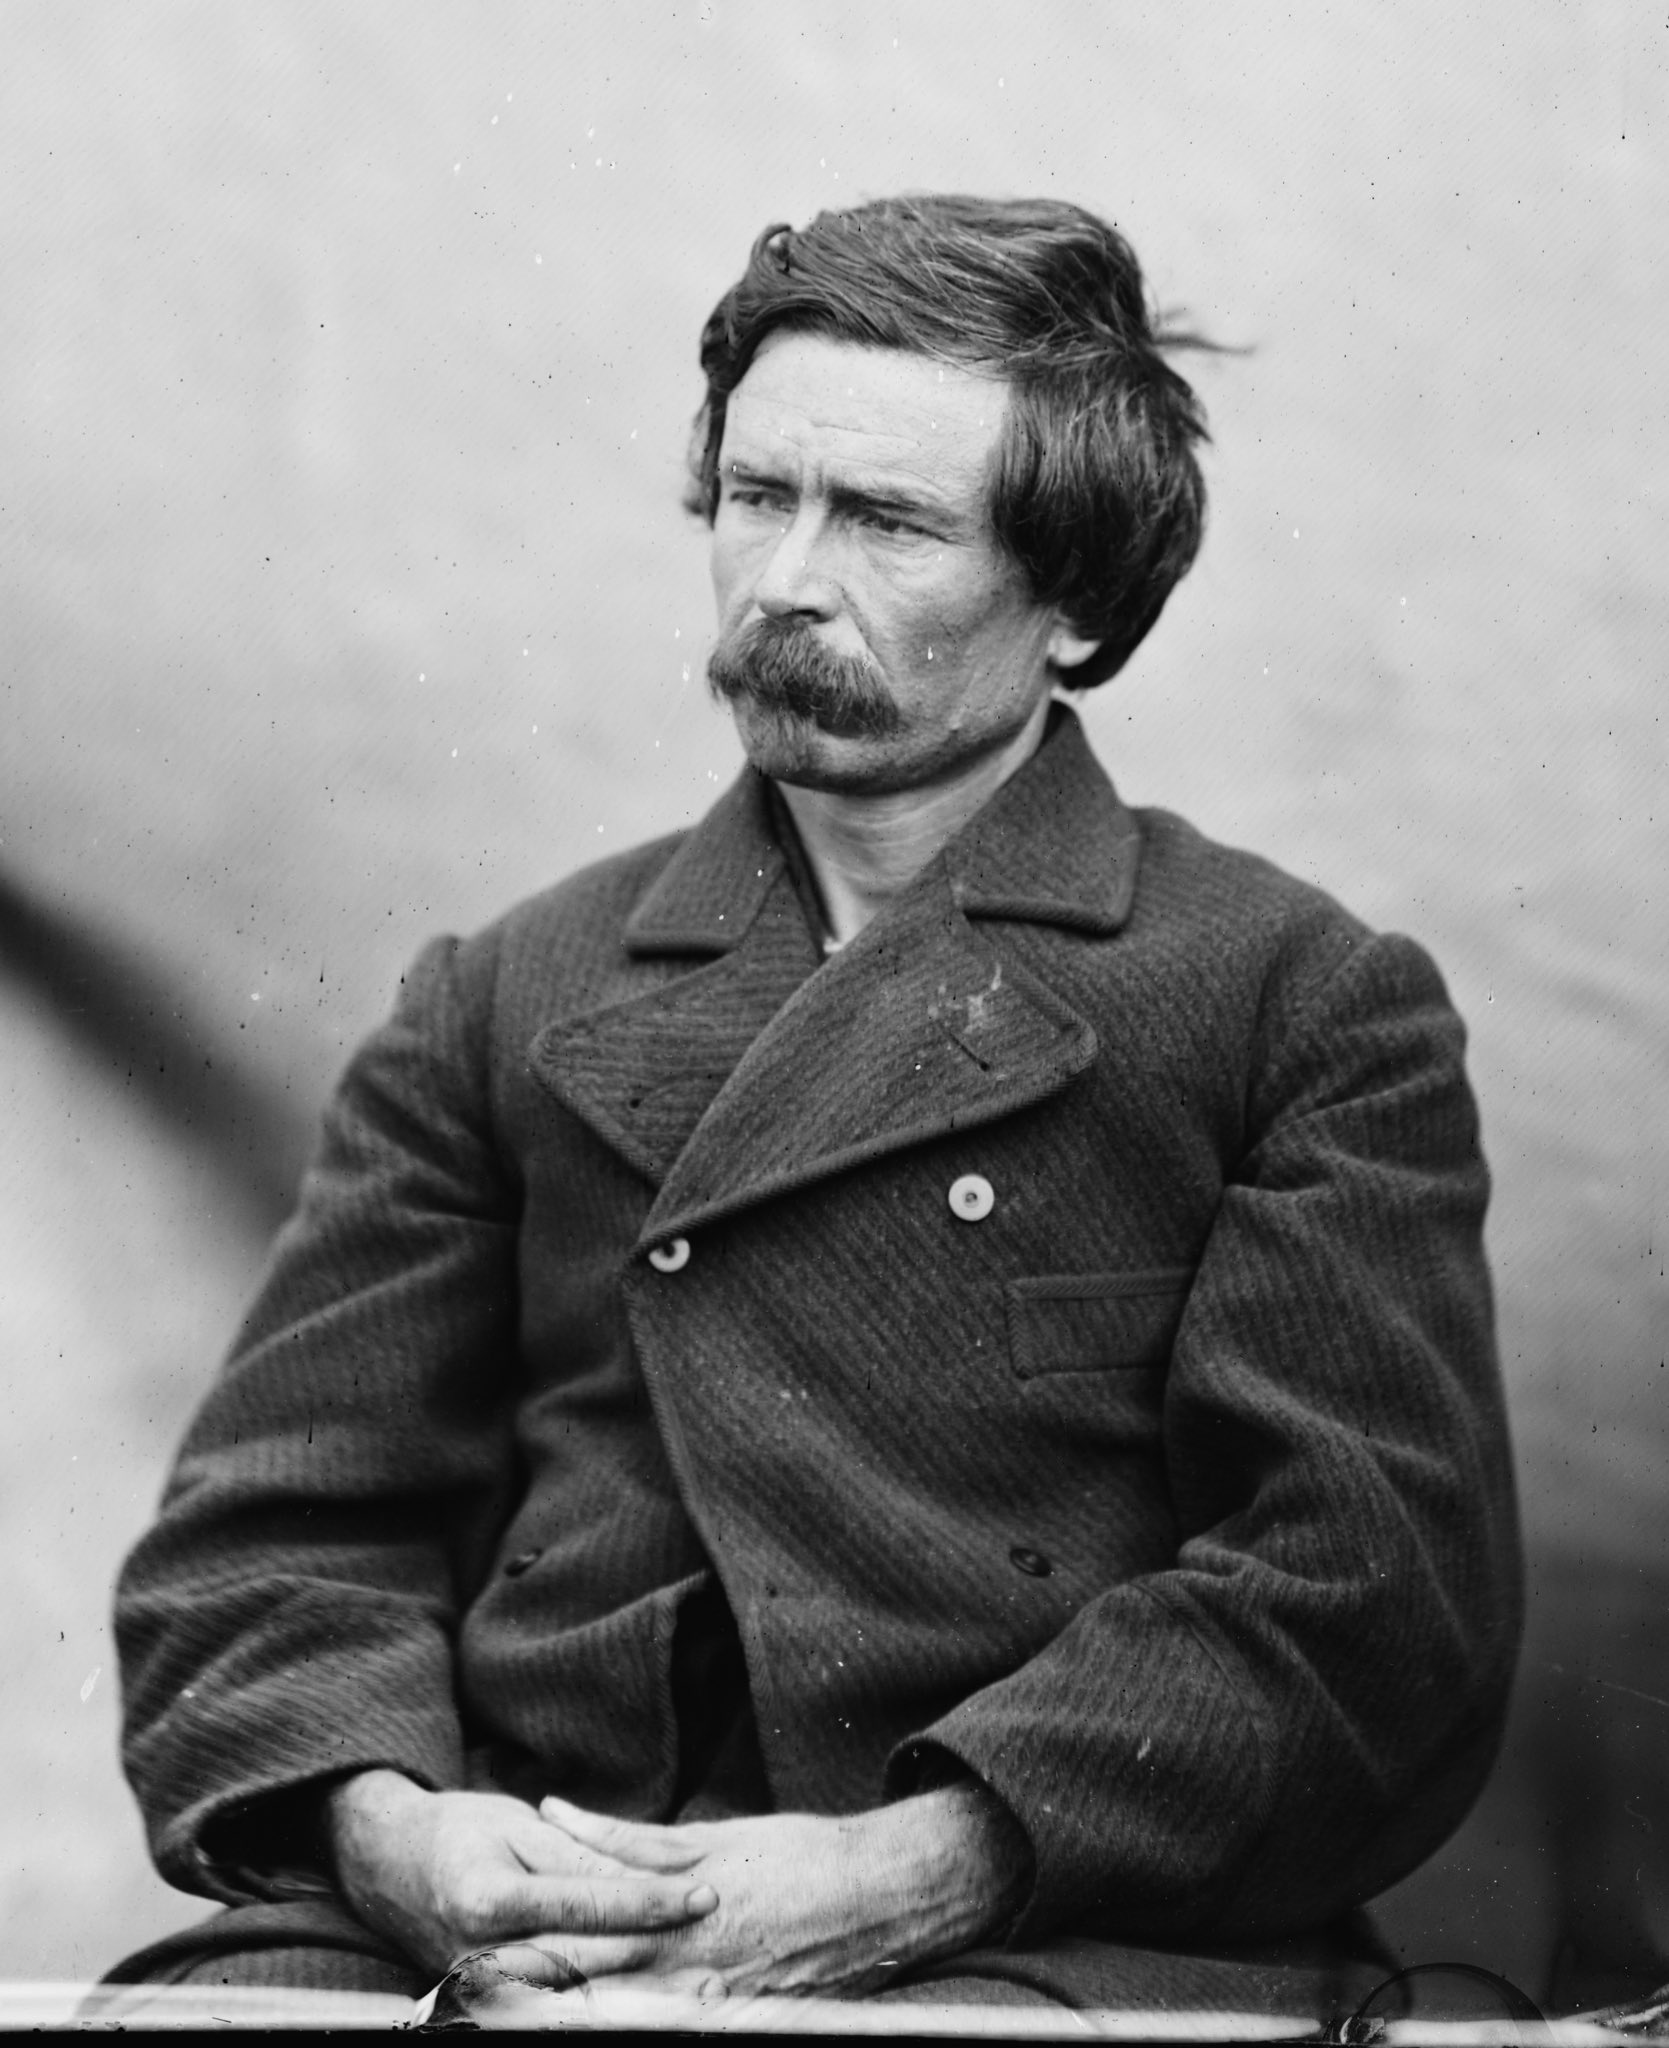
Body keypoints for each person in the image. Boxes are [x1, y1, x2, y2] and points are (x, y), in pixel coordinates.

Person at [102, 195, 1522, 2020]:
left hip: (1046, 1903)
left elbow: (1365, 1605)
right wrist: (394, 1837)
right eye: (756, 495)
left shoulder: (1292, 1003)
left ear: (1078, 603)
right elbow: (274, 1537)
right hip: (543, 1889)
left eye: (886, 521)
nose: (781, 575)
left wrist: (915, 1868)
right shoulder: (507, 992)